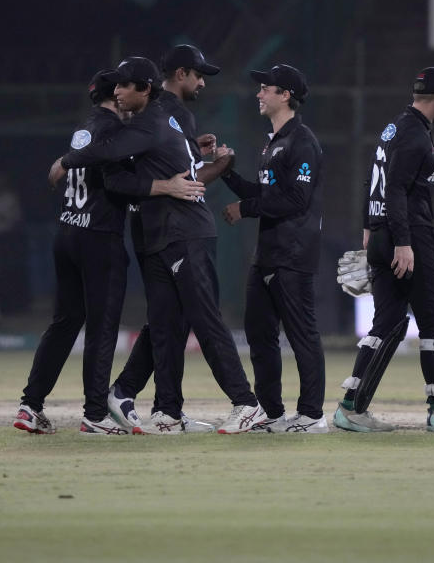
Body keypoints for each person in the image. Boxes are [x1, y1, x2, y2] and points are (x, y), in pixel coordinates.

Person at [57, 56, 266, 435]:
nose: (117, 92)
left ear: (146, 89)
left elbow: (105, 153)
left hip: (184, 231)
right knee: (166, 324)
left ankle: (246, 404)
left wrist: (66, 160)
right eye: (115, 86)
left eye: (124, 86)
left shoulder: (151, 121)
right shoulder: (160, 119)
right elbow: (123, 177)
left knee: (203, 319)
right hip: (162, 233)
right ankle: (167, 411)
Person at [12, 70, 200, 436]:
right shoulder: (115, 131)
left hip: (66, 231)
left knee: (64, 323)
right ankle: (95, 413)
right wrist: (167, 185)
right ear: (115, 98)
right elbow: (118, 181)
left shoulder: (83, 129)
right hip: (99, 238)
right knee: (102, 329)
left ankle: (30, 405)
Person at [336, 67, 434, 433]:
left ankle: (351, 409)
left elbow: (374, 178)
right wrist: (403, 243)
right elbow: (397, 189)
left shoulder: (394, 127)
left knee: (388, 323)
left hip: (383, 233)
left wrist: (370, 227)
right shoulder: (416, 135)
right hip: (410, 238)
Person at [106, 44, 232, 434]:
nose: (201, 83)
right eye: (198, 75)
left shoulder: (160, 113)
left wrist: (197, 151)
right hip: (167, 229)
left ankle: (164, 409)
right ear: (180, 74)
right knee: (172, 320)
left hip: (151, 226)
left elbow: (163, 161)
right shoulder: (173, 111)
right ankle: (147, 400)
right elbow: (185, 183)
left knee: (168, 319)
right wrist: (220, 165)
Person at [220, 64, 327, 433]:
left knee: (302, 336)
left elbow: (296, 200)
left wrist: (244, 209)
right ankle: (272, 413)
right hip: (267, 254)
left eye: (266, 88)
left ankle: (312, 415)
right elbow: (264, 194)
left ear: (286, 95)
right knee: (260, 336)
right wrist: (226, 172)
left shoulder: (302, 141)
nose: (259, 93)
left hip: (294, 255)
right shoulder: (273, 142)